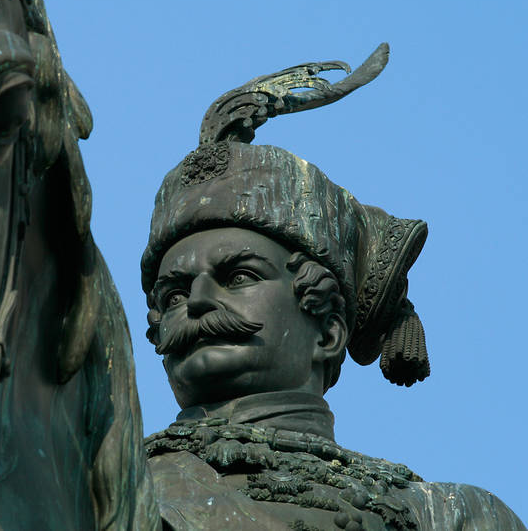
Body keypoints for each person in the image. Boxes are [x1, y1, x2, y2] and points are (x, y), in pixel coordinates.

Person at [140, 44, 526, 530]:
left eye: (239, 277)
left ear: (328, 332)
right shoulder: (102, 483)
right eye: (171, 296)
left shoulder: (451, 517)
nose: (195, 303)